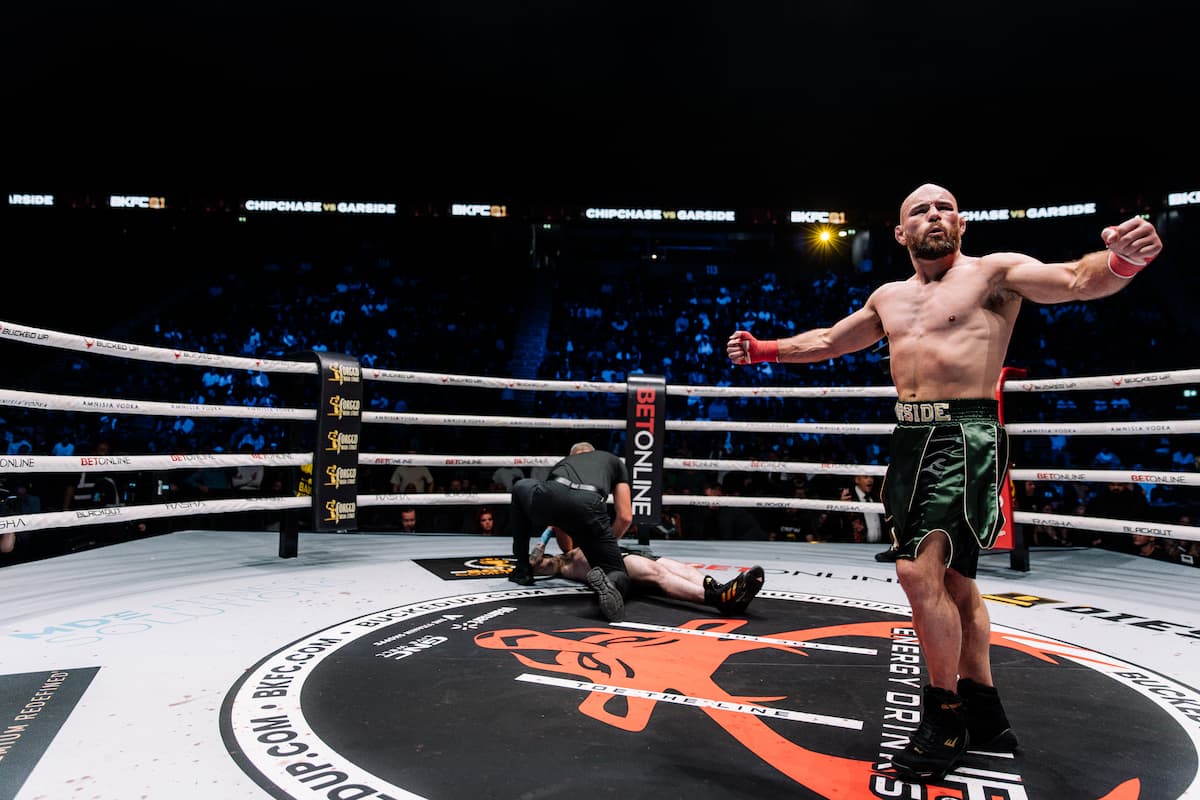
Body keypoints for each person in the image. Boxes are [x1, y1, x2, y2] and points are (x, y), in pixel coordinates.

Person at [726, 183, 1162, 783]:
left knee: (916, 571)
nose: (934, 215)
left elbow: (1076, 280)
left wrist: (1123, 259)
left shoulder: (994, 273)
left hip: (965, 437)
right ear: (900, 233)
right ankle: (984, 709)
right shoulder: (889, 297)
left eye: (943, 207)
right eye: (918, 211)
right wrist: (765, 349)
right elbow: (829, 340)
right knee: (954, 582)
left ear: (962, 222)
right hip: (909, 441)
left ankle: (945, 717)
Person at [507, 441, 633, 623]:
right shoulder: (613, 461)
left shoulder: (564, 463)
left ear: (573, 454)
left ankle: (522, 568)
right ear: (593, 453)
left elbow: (560, 529)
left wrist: (571, 551)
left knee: (520, 488)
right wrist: (605, 546)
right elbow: (625, 517)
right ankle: (611, 584)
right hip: (589, 505)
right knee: (617, 572)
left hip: (551, 494)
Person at [532, 544, 765, 616]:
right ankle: (715, 599)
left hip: (629, 552)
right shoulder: (567, 562)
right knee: (659, 574)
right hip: (619, 562)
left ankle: (728, 591)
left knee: (682, 569)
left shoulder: (585, 534)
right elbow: (545, 566)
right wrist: (536, 558)